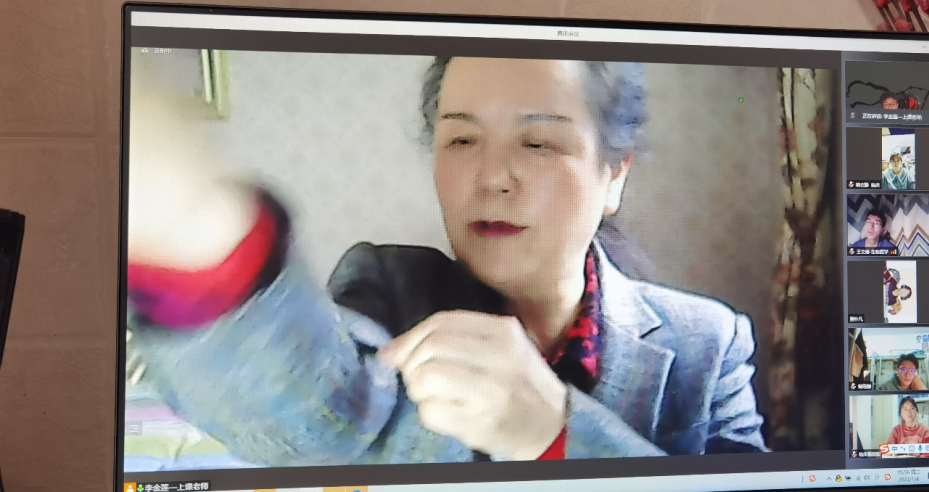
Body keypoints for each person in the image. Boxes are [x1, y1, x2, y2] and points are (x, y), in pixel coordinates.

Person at [124, 56, 768, 470]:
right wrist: (195, 235)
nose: (491, 177)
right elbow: (310, 415)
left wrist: (556, 434)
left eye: (538, 142)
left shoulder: (707, 343)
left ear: (614, 176)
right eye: (461, 139)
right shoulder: (387, 284)